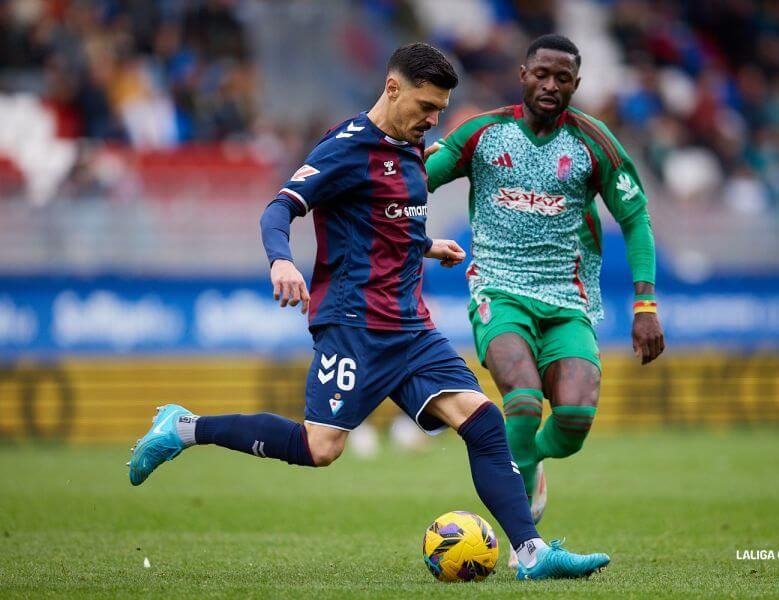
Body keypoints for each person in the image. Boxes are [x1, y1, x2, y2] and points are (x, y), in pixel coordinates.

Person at [127, 42, 609, 581]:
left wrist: (427, 245)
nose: (432, 119)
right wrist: (281, 261)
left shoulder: (410, 148)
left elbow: (382, 220)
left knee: (483, 420)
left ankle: (531, 553)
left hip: (409, 326)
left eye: (440, 111)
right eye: (425, 106)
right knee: (320, 447)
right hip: (355, 325)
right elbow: (279, 207)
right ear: (392, 87)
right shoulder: (346, 148)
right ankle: (184, 427)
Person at [425, 34, 665, 566]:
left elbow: (635, 219)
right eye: (542, 74)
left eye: (563, 78)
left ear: (576, 85)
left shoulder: (594, 143)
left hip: (568, 299)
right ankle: (523, 539)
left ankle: (528, 460)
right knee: (523, 398)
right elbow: (418, 179)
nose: (551, 85)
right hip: (498, 290)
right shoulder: (484, 133)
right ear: (523, 74)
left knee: (575, 419)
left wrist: (645, 305)